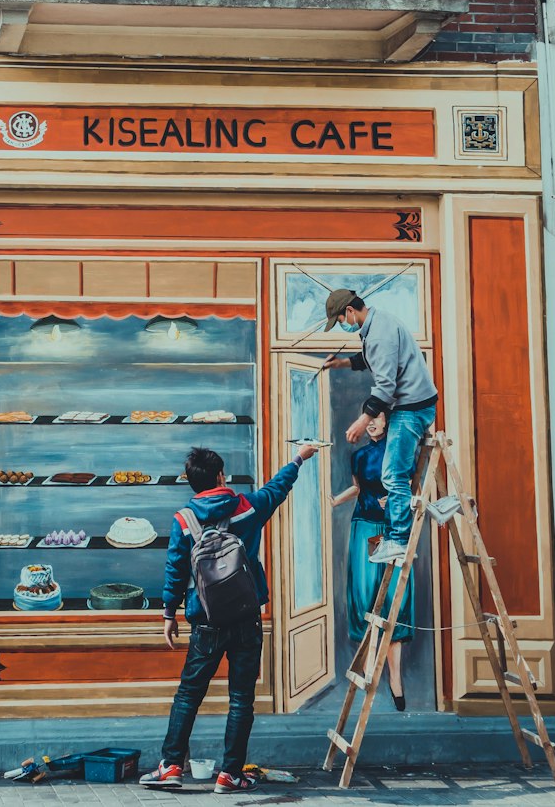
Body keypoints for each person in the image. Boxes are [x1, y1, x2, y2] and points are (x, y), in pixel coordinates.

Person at [140, 442, 317, 794]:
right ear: (221, 476)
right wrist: (298, 458)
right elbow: (277, 489)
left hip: (205, 620)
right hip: (246, 617)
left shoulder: (183, 520)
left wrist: (169, 613)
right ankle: (230, 774)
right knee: (241, 699)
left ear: (191, 482)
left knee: (189, 695)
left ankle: (172, 766)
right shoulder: (248, 507)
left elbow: (175, 570)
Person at [323, 288, 437, 566]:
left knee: (393, 475)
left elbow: (385, 387)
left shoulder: (379, 335)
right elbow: (371, 358)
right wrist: (342, 363)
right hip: (412, 403)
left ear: (349, 311)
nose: (342, 325)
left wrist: (362, 421)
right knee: (394, 472)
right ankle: (400, 534)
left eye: (340, 320)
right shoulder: (376, 324)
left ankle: (398, 541)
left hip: (412, 407)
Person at [331, 416, 414, 710]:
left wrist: (393, 501)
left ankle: (395, 679)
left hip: (393, 528)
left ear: (389, 423)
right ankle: (368, 674)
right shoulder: (360, 456)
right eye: (370, 419)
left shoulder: (401, 451)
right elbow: (358, 488)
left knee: (394, 598)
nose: (371, 424)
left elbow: (410, 489)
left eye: (378, 419)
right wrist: (333, 501)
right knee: (365, 596)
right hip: (366, 528)